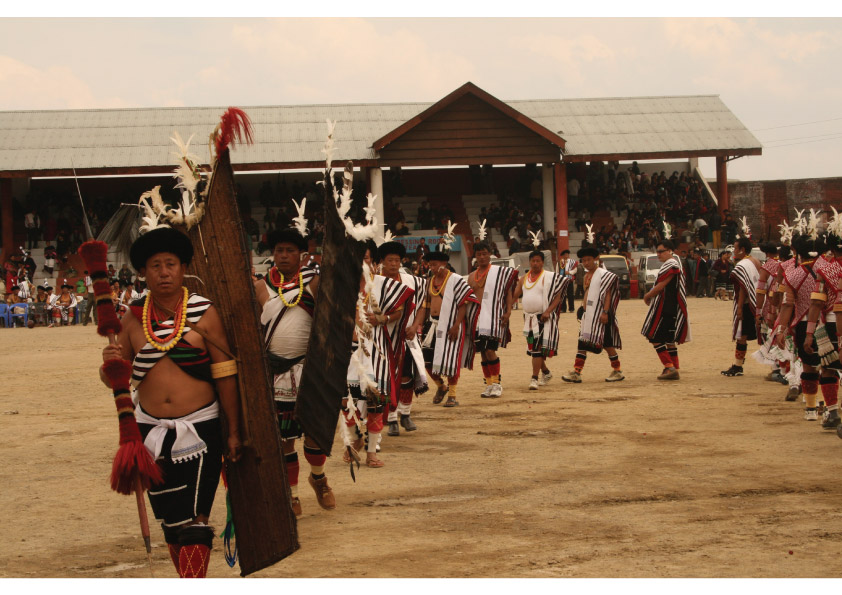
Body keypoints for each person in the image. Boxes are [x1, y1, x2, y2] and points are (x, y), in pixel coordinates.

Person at [100, 226, 241, 578]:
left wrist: (234, 430)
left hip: (202, 429)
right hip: (147, 432)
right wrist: (109, 363)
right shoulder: (132, 318)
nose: (163, 272)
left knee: (195, 522)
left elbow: (225, 373)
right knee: (170, 522)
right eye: (155, 266)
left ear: (183, 268)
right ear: (143, 273)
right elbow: (114, 380)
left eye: (170, 264)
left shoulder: (204, 313)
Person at [255, 228, 333, 517]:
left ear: (301, 254)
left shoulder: (313, 282)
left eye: (289, 251)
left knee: (314, 433)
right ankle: (293, 494)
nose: (284, 256)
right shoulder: (261, 286)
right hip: (275, 372)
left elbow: (331, 320)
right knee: (284, 438)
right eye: (279, 251)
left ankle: (319, 477)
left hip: (309, 370)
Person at [345, 242, 414, 465]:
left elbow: (401, 309)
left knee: (375, 402)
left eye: (365, 258)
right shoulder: (342, 285)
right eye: (357, 257)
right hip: (351, 352)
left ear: (373, 261)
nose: (361, 262)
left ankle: (372, 452)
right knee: (350, 402)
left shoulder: (383, 284)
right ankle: (354, 441)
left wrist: (382, 319)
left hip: (377, 351)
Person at [775, 232, 832, 422]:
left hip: (804, 323)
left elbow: (787, 304)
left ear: (797, 252)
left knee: (809, 367)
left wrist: (781, 329)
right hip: (827, 322)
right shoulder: (830, 268)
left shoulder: (792, 275)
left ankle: (810, 408)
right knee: (828, 367)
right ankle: (828, 406)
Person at [378, 241, 428, 437]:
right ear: (382, 262)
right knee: (387, 376)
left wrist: (415, 326)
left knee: (407, 374)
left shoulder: (413, 281)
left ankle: (405, 413)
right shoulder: (375, 282)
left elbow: (422, 306)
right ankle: (391, 418)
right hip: (382, 337)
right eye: (390, 260)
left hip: (407, 336)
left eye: (397, 260)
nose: (394, 264)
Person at [420, 249, 479, 407]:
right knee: (426, 360)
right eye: (430, 265)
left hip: (451, 324)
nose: (432, 268)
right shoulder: (429, 281)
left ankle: (452, 395)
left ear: (444, 264)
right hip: (432, 325)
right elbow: (425, 305)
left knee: (451, 360)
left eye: (435, 264)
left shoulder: (456, 279)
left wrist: (456, 325)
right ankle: (441, 386)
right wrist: (420, 325)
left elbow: (464, 304)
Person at [562, 247, 624, 383]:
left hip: (601, 314)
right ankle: (577, 372)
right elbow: (588, 293)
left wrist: (605, 312)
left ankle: (617, 370)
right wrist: (582, 309)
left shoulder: (602, 274)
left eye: (589, 260)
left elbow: (607, 294)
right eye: (584, 260)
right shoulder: (586, 275)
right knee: (582, 341)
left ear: (595, 259)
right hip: (589, 314)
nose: (586, 262)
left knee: (607, 343)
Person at [468, 240, 518, 398]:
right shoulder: (471, 276)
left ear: (489, 254)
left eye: (484, 253)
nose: (482, 257)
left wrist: (508, 311)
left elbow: (508, 293)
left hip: (494, 316)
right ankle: (488, 384)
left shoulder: (498, 272)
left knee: (490, 350)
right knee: (482, 352)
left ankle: (497, 383)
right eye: (479, 254)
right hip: (477, 318)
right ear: (475, 256)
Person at [511, 249, 566, 390]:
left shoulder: (549, 277)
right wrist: (505, 307)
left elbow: (559, 295)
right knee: (533, 348)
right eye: (533, 261)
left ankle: (534, 378)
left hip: (542, 317)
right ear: (529, 262)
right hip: (528, 319)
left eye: (538, 261)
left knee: (536, 349)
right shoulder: (523, 278)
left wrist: (548, 311)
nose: (535, 263)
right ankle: (546, 372)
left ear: (542, 262)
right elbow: (514, 295)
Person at [806, 226, 842, 429]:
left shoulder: (825, 271)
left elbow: (817, 303)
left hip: (830, 325)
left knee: (828, 368)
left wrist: (809, 333)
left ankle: (833, 411)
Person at [641, 240, 691, 380]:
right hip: (671, 306)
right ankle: (674, 367)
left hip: (665, 307)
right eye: (657, 251)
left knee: (653, 335)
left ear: (670, 251)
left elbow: (662, 284)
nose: (658, 254)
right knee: (669, 339)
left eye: (661, 251)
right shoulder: (675, 263)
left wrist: (648, 295)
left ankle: (669, 366)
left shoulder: (672, 264)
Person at [721, 237, 762, 377]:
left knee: (741, 335)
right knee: (752, 334)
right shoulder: (754, 261)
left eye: (736, 249)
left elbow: (743, 288)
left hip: (746, 303)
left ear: (742, 250)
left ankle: (738, 366)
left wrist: (739, 307)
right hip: (757, 302)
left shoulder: (743, 265)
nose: (733, 252)